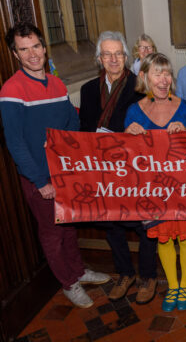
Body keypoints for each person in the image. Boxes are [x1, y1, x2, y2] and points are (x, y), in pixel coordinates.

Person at [0, 22, 110, 308]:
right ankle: (68, 284)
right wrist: (39, 181)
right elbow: (15, 142)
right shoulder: (12, 90)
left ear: (44, 47)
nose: (32, 54)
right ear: (15, 54)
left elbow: (70, 123)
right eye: (24, 49)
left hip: (65, 173)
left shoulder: (57, 83)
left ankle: (78, 270)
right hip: (40, 178)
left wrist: (78, 149)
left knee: (69, 227)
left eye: (36, 46)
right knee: (51, 234)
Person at [125, 53, 186, 312]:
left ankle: (185, 285)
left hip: (183, 189)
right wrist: (127, 136)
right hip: (152, 190)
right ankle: (172, 285)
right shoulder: (133, 111)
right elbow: (125, 159)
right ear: (144, 78)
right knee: (163, 239)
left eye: (167, 73)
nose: (163, 80)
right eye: (157, 73)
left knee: (185, 238)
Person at [79, 31, 158, 305]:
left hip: (133, 168)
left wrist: (134, 130)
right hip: (102, 168)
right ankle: (125, 273)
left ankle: (148, 276)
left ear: (127, 56)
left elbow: (153, 123)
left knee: (143, 222)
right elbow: (83, 129)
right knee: (110, 222)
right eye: (107, 54)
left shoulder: (140, 85)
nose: (113, 59)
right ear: (99, 58)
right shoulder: (88, 89)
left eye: (118, 54)